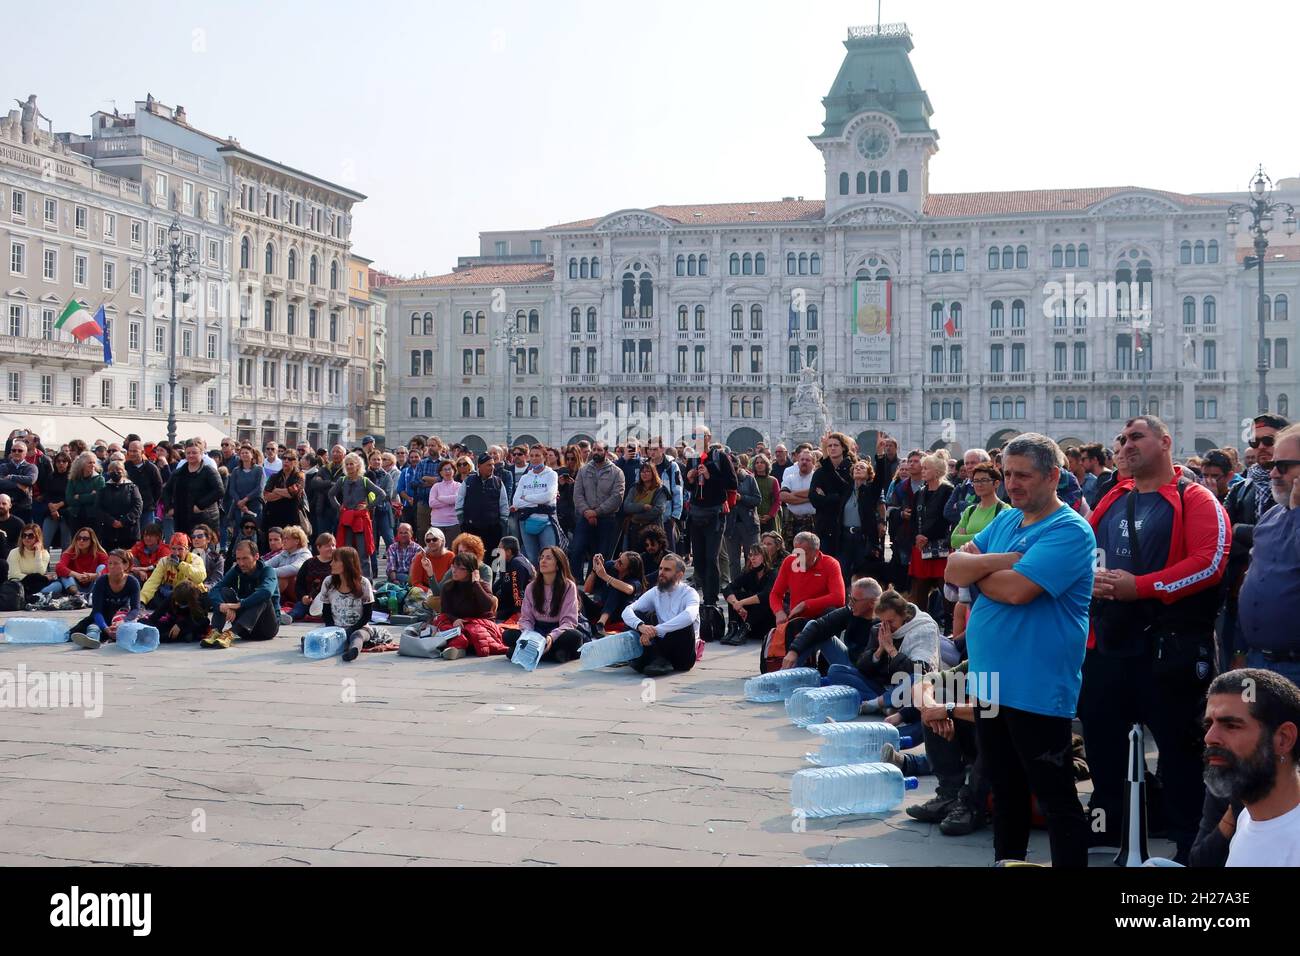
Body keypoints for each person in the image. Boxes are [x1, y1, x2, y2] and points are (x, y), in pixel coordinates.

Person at [1079, 416, 1230, 864]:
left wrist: (1139, 587)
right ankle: (1107, 825)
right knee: (1103, 740)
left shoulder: (1195, 497)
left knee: (1180, 750)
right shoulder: (1112, 496)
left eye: (1136, 437)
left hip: (1172, 647)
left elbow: (1210, 563)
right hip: (1110, 644)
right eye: (1121, 439)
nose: (1125, 445)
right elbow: (1084, 549)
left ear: (1166, 442)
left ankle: (1188, 841)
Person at [944, 432, 1095, 868]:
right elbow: (954, 568)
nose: (1012, 484)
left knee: (1054, 797)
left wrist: (981, 569)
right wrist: (1001, 561)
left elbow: (1017, 593)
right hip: (990, 681)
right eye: (1007, 474)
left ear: (1053, 475)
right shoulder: (1008, 522)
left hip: (1037, 685)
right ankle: (1005, 863)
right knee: (1003, 791)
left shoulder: (1069, 530)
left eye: (1023, 475)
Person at [1201, 670, 1300, 867]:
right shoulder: (1247, 816)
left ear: (1283, 739)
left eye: (1231, 726)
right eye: (1208, 725)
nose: (1209, 738)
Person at [1236, 423, 1300, 682]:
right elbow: (1254, 580)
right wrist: (1240, 649)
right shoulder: (1272, 516)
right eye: (1272, 465)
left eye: (1283, 466)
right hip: (1258, 662)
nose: (1273, 473)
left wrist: (1297, 512)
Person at [830, 587, 941, 715]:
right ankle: (885, 704)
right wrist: (879, 651)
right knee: (835, 671)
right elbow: (862, 667)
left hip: (908, 688)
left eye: (891, 621)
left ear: (903, 615)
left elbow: (921, 671)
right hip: (882, 686)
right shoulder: (880, 629)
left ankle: (877, 704)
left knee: (917, 678)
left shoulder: (924, 629)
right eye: (883, 621)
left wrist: (892, 650)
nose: (887, 626)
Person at [948, 463, 1011, 640]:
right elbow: (954, 539)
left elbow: (997, 539)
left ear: (996, 483)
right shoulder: (970, 510)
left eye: (984, 480)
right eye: (975, 481)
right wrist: (983, 535)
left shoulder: (1004, 510)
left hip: (991, 570)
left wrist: (968, 536)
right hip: (969, 569)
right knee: (963, 608)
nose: (979, 484)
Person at [622, 553, 701, 677]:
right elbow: (628, 610)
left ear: (679, 575)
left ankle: (652, 660)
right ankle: (657, 660)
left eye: (667, 570)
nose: (661, 573)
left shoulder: (689, 593)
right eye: (660, 568)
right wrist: (641, 627)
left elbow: (689, 616)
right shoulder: (655, 592)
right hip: (662, 645)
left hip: (683, 654)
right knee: (637, 615)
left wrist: (656, 630)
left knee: (684, 623)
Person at [768, 531, 846, 654]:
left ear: (816, 552)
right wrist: (778, 612)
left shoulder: (830, 564)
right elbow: (775, 594)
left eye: (803, 554)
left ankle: (826, 663)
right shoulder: (789, 562)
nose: (799, 558)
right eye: (796, 553)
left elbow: (839, 598)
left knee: (834, 614)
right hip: (798, 617)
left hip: (822, 616)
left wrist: (806, 604)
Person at [684, 430, 737, 610]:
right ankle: (703, 592)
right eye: (695, 437)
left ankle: (711, 598)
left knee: (711, 557)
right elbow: (688, 487)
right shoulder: (692, 458)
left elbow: (732, 483)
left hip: (715, 514)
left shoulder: (719, 457)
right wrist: (690, 478)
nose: (698, 440)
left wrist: (709, 476)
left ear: (709, 438)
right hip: (697, 513)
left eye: (701, 436)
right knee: (698, 558)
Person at [508, 546, 586, 665]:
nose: (543, 561)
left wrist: (551, 637)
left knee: (575, 637)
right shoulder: (531, 587)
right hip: (536, 630)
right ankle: (556, 654)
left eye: (548, 558)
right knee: (507, 636)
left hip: (558, 631)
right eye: (542, 558)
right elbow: (526, 618)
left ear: (558, 564)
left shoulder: (568, 586)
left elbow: (569, 622)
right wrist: (529, 637)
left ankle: (539, 653)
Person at [202, 538, 281, 649]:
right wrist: (221, 606)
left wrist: (238, 605)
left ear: (256, 557)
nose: (241, 563)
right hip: (243, 629)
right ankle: (215, 631)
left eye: (245, 558)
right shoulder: (237, 570)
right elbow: (216, 589)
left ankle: (230, 633)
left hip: (266, 628)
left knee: (262, 597)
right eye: (238, 559)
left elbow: (266, 592)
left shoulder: (267, 571)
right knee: (224, 592)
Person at [434, 552, 507, 660]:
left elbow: (488, 606)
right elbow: (445, 611)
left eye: (460, 568)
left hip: (479, 623)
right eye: (453, 566)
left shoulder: (481, 586)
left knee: (473, 631)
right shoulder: (448, 587)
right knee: (441, 620)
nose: (454, 570)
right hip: (458, 623)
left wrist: (476, 584)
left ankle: (459, 647)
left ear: (471, 571)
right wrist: (455, 619)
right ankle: (459, 648)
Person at [570, 441, 626, 580]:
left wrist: (597, 512)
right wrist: (587, 512)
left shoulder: (616, 472)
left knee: (601, 553)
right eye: (594, 449)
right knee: (577, 548)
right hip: (585, 516)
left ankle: (595, 582)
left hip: (607, 518)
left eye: (599, 450)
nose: (596, 452)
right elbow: (577, 495)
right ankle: (575, 581)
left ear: (606, 452)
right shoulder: (583, 471)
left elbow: (617, 497)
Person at [909, 454, 954, 615]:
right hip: (921, 548)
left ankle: (950, 624)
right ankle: (921, 622)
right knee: (919, 591)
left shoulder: (948, 490)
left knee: (947, 591)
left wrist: (927, 536)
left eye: (926, 468)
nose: (922, 470)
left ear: (936, 471)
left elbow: (945, 518)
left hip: (940, 547)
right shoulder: (920, 493)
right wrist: (917, 536)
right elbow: (913, 519)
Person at [69, 550, 142, 649]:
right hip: (101, 616)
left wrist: (123, 621)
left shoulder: (132, 582)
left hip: (121, 617)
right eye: (110, 563)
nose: (111, 566)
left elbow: (135, 609)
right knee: (92, 627)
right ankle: (91, 639)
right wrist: (106, 628)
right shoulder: (101, 581)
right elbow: (97, 611)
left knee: (131, 629)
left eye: (116, 563)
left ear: (126, 565)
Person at [319, 546, 378, 662]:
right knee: (315, 637)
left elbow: (367, 615)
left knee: (358, 636)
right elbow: (326, 611)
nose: (331, 564)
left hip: (360, 627)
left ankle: (354, 650)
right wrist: (333, 630)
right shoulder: (328, 582)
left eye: (335, 561)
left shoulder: (364, 583)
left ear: (347, 564)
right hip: (335, 627)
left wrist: (350, 630)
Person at [720, 543, 778, 646]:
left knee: (764, 600)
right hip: (748, 616)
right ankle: (732, 628)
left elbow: (765, 595)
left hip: (765, 621)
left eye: (756, 555)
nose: (752, 558)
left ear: (764, 556)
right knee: (735, 594)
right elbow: (728, 588)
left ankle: (744, 629)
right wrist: (736, 604)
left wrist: (741, 603)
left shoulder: (773, 573)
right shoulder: (749, 573)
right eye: (751, 555)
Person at [809, 432, 856, 560]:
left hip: (844, 527)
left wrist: (827, 497)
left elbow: (846, 494)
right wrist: (834, 497)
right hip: (824, 526)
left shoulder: (851, 470)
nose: (832, 448)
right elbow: (814, 498)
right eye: (829, 446)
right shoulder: (819, 472)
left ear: (844, 448)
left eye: (836, 445)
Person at [34, 527, 107, 604]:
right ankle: (77, 596)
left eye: (85, 539)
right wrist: (77, 575)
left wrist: (93, 576)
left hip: (93, 586)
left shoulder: (100, 554)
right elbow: (59, 567)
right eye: (79, 538)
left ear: (92, 541)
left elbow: (109, 570)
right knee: (64, 574)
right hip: (73, 586)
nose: (81, 541)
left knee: (102, 567)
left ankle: (92, 596)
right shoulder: (70, 552)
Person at [332, 453, 379, 575]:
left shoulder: (364, 480)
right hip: (347, 518)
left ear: (357, 465)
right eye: (347, 464)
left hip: (360, 520)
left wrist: (368, 507)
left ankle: (367, 581)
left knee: (363, 553)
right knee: (346, 552)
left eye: (351, 464)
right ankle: (347, 579)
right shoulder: (342, 480)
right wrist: (338, 507)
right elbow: (330, 494)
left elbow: (382, 494)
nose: (349, 466)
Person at [513, 444, 560, 564]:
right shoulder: (525, 478)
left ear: (544, 457)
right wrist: (537, 502)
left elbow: (548, 497)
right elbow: (516, 502)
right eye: (532, 455)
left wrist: (527, 498)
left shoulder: (551, 475)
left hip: (546, 521)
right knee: (532, 559)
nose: (534, 458)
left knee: (549, 558)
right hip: (526, 521)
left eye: (538, 455)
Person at [457, 454, 509, 560]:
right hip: (471, 529)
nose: (492, 467)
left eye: (493, 465)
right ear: (479, 466)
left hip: (493, 529)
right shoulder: (468, 481)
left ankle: (495, 577)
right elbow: (459, 503)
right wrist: (463, 523)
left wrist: (502, 523)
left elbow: (504, 504)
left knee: (495, 560)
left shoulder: (498, 482)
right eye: (489, 465)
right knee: (472, 559)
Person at [581, 551, 644, 636]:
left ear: (629, 570)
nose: (616, 561)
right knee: (579, 594)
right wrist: (594, 570)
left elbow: (629, 589)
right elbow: (587, 589)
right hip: (601, 609)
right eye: (619, 557)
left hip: (618, 615)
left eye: (620, 562)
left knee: (617, 586)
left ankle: (601, 624)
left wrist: (605, 576)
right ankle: (583, 623)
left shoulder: (635, 581)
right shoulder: (611, 566)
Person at [140, 532, 207, 610]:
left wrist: (180, 565)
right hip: (172, 596)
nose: (176, 553)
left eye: (180, 549)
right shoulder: (164, 561)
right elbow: (152, 582)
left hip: (192, 596)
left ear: (187, 549)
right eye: (173, 549)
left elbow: (199, 577)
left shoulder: (196, 559)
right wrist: (142, 601)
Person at [722, 459, 761, 591]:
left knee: (752, 557)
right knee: (733, 560)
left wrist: (741, 498)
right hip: (731, 525)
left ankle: (752, 585)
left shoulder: (749, 479)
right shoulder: (724, 480)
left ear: (739, 467)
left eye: (734, 468)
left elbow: (757, 499)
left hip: (749, 524)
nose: (732, 471)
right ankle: (736, 586)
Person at [94, 459, 143, 552]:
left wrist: (123, 521)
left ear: (123, 471)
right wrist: (111, 521)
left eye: (118, 469)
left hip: (129, 531)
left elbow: (138, 506)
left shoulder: (132, 487)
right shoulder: (103, 489)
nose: (115, 472)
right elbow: (98, 508)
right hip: (109, 531)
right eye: (112, 470)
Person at [623, 461, 670, 556]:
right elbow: (627, 506)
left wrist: (636, 516)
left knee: (654, 557)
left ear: (653, 473)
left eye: (648, 471)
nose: (644, 474)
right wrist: (642, 506)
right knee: (636, 557)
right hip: (635, 530)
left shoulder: (660, 490)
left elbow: (658, 509)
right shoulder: (635, 488)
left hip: (653, 529)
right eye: (642, 472)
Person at [645, 440, 683, 553]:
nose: (652, 452)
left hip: (666, 516)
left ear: (662, 449)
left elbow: (677, 490)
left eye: (655, 449)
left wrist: (675, 515)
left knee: (667, 551)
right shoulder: (644, 466)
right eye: (650, 449)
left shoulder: (671, 466)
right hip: (648, 515)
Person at [262, 450, 310, 541]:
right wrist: (286, 493)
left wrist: (276, 490)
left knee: (291, 541)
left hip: (291, 515)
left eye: (290, 459)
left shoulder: (300, 475)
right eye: (284, 458)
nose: (286, 461)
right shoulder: (275, 476)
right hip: (274, 515)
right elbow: (266, 495)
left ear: (295, 461)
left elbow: (293, 492)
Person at [223, 444, 266, 546]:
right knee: (239, 531)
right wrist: (240, 502)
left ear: (252, 455)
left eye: (247, 453)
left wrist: (245, 500)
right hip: (239, 507)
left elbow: (259, 488)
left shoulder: (259, 470)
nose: (244, 455)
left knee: (254, 531)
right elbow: (232, 489)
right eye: (242, 453)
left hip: (254, 506)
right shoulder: (236, 471)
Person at [145, 581, 210, 644]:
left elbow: (202, 619)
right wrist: (148, 626)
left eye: (179, 603)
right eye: (175, 601)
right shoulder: (174, 596)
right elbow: (157, 614)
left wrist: (181, 625)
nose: (176, 603)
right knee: (147, 623)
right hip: (174, 621)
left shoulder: (202, 599)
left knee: (201, 624)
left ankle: (187, 635)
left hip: (191, 623)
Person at [290, 532, 336, 622]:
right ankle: (288, 618)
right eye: (327, 546)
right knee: (298, 610)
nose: (332, 548)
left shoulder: (338, 562)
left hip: (331, 601)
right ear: (318, 547)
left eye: (333, 545)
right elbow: (299, 584)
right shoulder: (309, 563)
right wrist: (303, 597)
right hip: (310, 601)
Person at [779, 448, 817, 551]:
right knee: (793, 553)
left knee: (811, 552)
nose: (804, 462)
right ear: (798, 462)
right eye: (802, 459)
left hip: (813, 521)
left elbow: (818, 495)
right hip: (792, 522)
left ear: (813, 463)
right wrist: (810, 498)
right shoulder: (790, 478)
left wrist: (794, 494)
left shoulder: (817, 478)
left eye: (808, 460)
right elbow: (783, 496)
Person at [493, 536, 534, 623]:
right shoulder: (506, 561)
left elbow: (517, 591)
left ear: (508, 551)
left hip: (517, 608)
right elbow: (501, 580)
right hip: (506, 601)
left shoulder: (517, 564)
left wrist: (519, 615)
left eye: (500, 549)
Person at [264, 525, 312, 600]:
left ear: (297, 541)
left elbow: (295, 568)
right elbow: (266, 564)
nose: (283, 541)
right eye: (283, 538)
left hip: (302, 592)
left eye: (287, 538)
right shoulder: (284, 553)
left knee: (284, 577)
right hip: (287, 590)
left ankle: (266, 601)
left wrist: (269, 571)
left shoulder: (305, 554)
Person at [124, 441, 163, 532]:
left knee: (148, 534)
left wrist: (152, 503)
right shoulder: (125, 467)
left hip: (147, 509)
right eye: (130, 451)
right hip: (129, 510)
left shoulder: (151, 468)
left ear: (142, 452)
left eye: (135, 451)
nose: (132, 454)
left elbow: (158, 487)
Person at [64, 451, 104, 537]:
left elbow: (97, 498)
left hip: (93, 517)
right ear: (82, 464)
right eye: (89, 462)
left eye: (94, 462)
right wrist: (89, 495)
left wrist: (79, 497)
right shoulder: (73, 479)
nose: (93, 465)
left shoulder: (99, 479)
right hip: (75, 516)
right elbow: (69, 499)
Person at [39, 451, 72, 551]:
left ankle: (64, 566)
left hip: (67, 512)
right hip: (51, 512)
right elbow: (46, 494)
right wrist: (52, 508)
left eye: (64, 461)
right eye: (58, 461)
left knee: (66, 544)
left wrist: (59, 505)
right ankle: (44, 566)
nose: (61, 463)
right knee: (45, 543)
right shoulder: (50, 477)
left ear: (68, 463)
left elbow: (73, 496)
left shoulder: (73, 478)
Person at [0, 438, 39, 522]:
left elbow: (30, 480)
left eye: (20, 450)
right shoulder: (3, 466)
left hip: (24, 508)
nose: (16, 452)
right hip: (4, 508)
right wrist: (17, 485)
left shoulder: (31, 467)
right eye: (14, 450)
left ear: (25, 453)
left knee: (24, 533)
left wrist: (11, 477)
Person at [7, 523, 51, 597]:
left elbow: (40, 572)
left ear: (37, 538)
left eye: (30, 536)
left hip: (36, 584)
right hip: (18, 584)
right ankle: (39, 595)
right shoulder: (14, 552)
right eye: (24, 535)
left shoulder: (45, 553)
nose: (26, 538)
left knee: (57, 584)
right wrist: (35, 577)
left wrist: (38, 553)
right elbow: (14, 574)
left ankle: (37, 595)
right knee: (40, 581)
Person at [409, 527, 454, 593]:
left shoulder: (450, 556)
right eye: (428, 540)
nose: (431, 542)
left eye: (434, 539)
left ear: (442, 540)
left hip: (446, 591)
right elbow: (416, 583)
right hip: (426, 591)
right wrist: (429, 591)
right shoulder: (420, 556)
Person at [428, 458, 462, 544]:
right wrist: (449, 501)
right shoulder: (436, 486)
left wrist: (440, 498)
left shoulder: (458, 485)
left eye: (449, 469)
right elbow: (432, 503)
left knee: (452, 550)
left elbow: (457, 499)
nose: (447, 472)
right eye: (445, 469)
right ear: (440, 472)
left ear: (454, 471)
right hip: (437, 523)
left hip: (453, 523)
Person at [189, 524, 225, 590]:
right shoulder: (186, 555)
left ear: (208, 539)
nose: (196, 539)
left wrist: (206, 587)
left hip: (207, 591)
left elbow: (216, 580)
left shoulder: (217, 558)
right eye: (193, 537)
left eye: (199, 536)